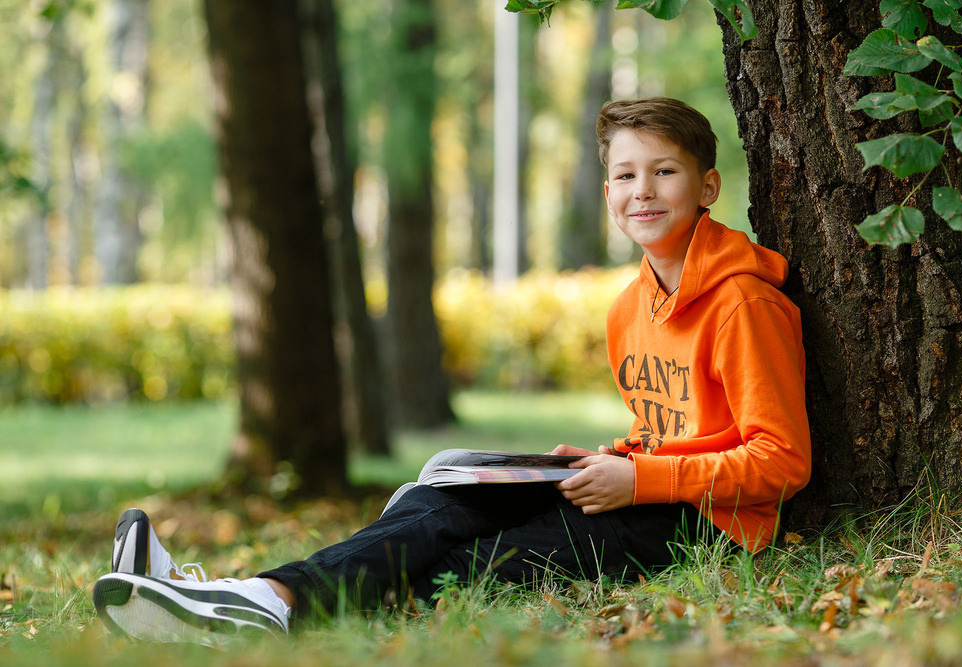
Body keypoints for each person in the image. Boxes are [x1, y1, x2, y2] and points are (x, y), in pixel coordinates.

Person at [92, 97, 810, 644]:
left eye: (665, 171)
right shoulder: (631, 307)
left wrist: (640, 478)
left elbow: (782, 460)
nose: (643, 191)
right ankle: (247, 595)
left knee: (478, 562)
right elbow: (673, 429)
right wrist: (614, 461)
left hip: (706, 524)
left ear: (707, 186)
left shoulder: (744, 303)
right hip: (641, 488)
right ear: (608, 194)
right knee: (443, 494)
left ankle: (239, 605)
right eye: (625, 174)